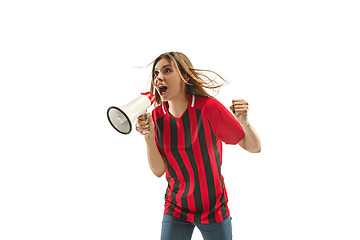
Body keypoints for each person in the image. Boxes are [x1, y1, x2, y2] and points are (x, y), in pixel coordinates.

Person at [135, 52, 261, 240]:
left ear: (185, 77)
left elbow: (253, 147)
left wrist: (244, 122)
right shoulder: (156, 118)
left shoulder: (208, 108)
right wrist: (149, 136)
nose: (159, 77)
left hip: (213, 208)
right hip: (176, 207)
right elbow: (159, 170)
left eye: (167, 70)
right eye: (156, 73)